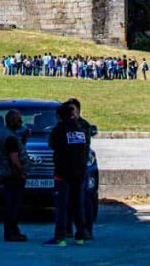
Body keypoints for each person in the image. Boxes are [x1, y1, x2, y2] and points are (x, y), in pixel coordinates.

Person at [47, 102, 89, 246]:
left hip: (62, 173)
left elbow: (52, 144)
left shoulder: (59, 130)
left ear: (59, 116)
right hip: (79, 173)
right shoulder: (80, 130)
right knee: (77, 205)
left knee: (61, 206)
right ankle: (80, 236)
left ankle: (60, 237)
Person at [0, 110, 30, 242]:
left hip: (8, 175)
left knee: (11, 204)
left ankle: (12, 230)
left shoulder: (6, 134)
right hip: (13, 176)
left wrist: (24, 138)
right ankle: (11, 232)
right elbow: (14, 158)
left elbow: (16, 148)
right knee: (13, 205)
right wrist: (22, 172)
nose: (21, 122)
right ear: (12, 121)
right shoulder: (10, 138)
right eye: (18, 120)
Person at [66, 98, 94, 240]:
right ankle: (68, 229)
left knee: (84, 200)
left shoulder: (83, 125)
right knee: (67, 200)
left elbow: (84, 142)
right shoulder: (64, 125)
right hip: (67, 168)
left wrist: (75, 123)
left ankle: (85, 229)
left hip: (81, 167)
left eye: (73, 110)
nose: (71, 113)